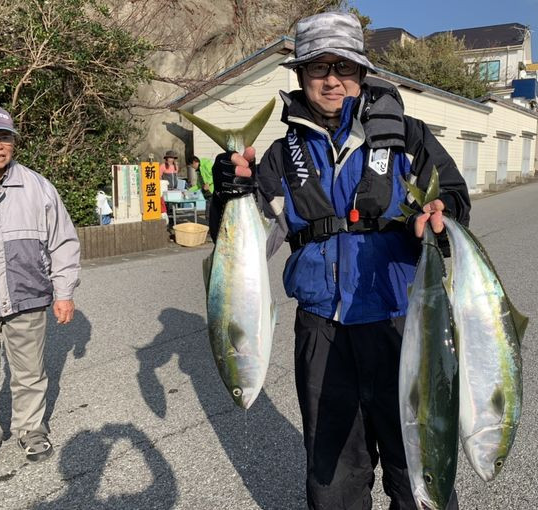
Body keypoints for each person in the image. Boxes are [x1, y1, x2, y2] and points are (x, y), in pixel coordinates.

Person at [208, 12, 470, 509]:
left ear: (362, 73)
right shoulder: (282, 156)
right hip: (321, 332)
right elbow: (241, 246)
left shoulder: (407, 137)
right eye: (318, 67)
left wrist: (440, 216)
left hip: (402, 323)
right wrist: (227, 195)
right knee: (333, 479)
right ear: (300, 75)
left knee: (419, 464)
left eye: (344, 67)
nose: (332, 79)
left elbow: (455, 198)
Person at [0, 103, 81, 465]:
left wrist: (64, 293)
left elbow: (63, 241)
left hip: (27, 298)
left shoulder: (37, 187)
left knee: (29, 372)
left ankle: (31, 428)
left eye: (3, 138)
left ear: (13, 143)